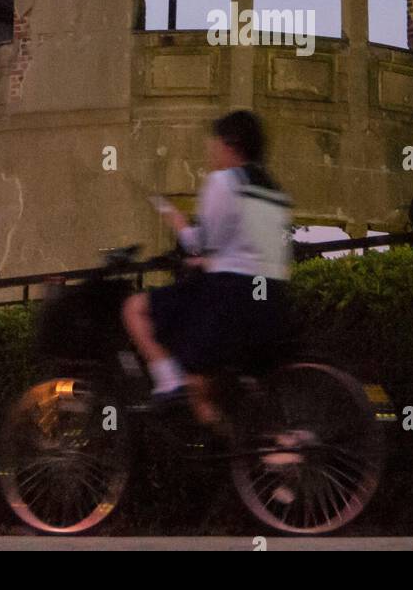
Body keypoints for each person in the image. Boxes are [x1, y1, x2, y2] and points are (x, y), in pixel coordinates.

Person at [122, 110, 295, 427]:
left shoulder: (222, 181)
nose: (210, 152)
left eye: (214, 144)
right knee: (208, 389)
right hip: (272, 301)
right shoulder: (275, 193)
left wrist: (176, 222)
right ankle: (243, 452)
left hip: (229, 298)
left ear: (231, 144)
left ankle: (167, 380)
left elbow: (202, 244)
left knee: (135, 308)